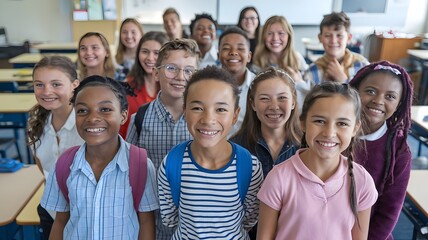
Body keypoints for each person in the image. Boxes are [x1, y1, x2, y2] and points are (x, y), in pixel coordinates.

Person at [40, 75, 158, 239]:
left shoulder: (140, 164)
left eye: (105, 109)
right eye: (82, 110)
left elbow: (146, 222)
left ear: (123, 116)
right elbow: (60, 221)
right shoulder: (65, 164)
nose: (93, 118)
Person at [257, 81, 378, 239]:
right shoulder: (279, 178)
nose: (329, 133)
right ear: (303, 123)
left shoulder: (362, 181)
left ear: (355, 128)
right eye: (319, 121)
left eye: (342, 123)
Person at [158, 66, 263, 240]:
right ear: (185, 110)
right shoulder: (172, 164)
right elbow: (170, 219)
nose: (208, 120)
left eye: (221, 109)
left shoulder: (250, 167)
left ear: (235, 115)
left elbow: (250, 218)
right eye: (197, 108)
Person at [126, 38, 200, 240]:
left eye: (188, 71)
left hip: (193, 224)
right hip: (151, 222)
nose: (180, 77)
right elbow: (128, 171)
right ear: (156, 72)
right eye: (171, 68)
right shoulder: (139, 119)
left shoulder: (204, 121)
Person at [349, 61, 413, 240]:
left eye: (390, 96)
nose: (378, 100)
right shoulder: (334, 134)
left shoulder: (398, 151)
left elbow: (389, 212)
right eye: (370, 91)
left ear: (399, 104)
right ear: (354, 91)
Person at [27, 56, 83, 240]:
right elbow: (43, 169)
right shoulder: (37, 124)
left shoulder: (88, 124)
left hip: (84, 213)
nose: (46, 91)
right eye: (39, 84)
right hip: (51, 212)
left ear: (75, 84)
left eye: (56, 84)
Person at [231, 67, 302, 177]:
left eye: (282, 97)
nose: (274, 106)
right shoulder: (236, 147)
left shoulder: (307, 145)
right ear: (253, 103)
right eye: (264, 98)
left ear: (293, 102)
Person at [119, 31, 169, 137]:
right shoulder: (126, 87)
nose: (150, 58)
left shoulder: (173, 87)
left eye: (156, 53)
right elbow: (121, 128)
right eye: (145, 52)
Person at [303, 12, 368, 85]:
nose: (333, 41)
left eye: (339, 35)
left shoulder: (362, 66)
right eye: (327, 35)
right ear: (320, 38)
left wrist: (343, 80)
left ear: (349, 38)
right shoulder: (312, 71)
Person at [218, 26, 255, 136]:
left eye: (240, 48)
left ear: (249, 56)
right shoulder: (206, 86)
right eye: (226, 48)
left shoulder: (259, 86)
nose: (233, 52)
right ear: (218, 55)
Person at [252, 15, 308, 80]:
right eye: (270, 33)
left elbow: (308, 88)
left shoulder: (297, 59)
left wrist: (298, 81)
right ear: (263, 37)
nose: (275, 38)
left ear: (289, 36)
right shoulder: (258, 60)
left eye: (281, 33)